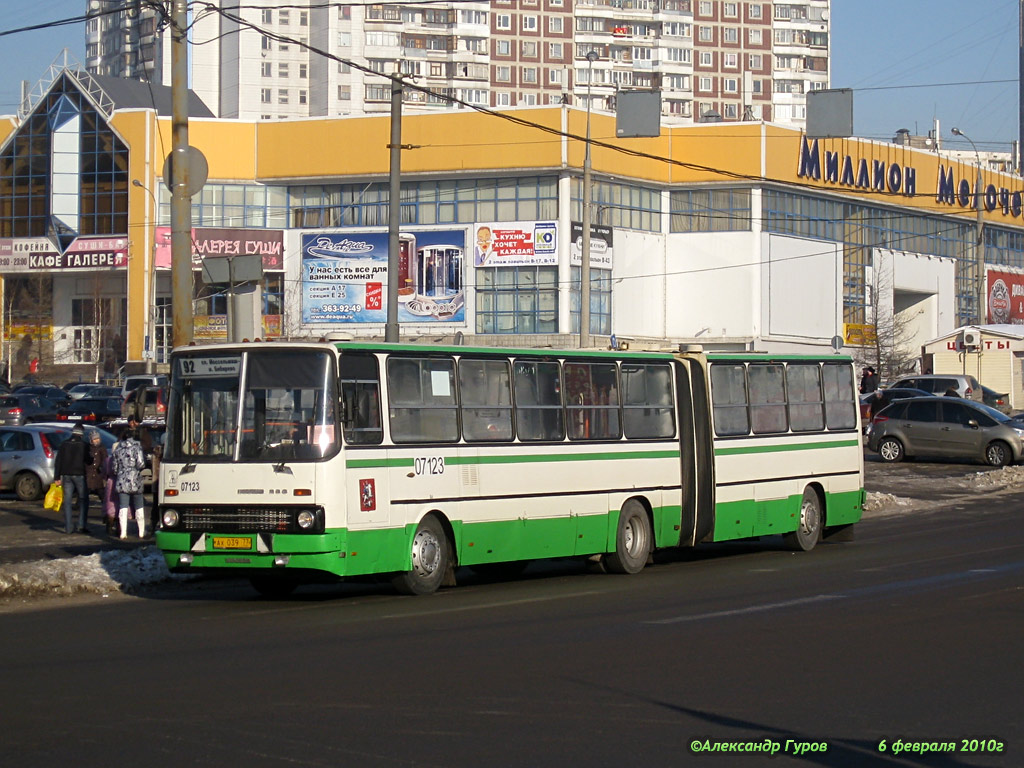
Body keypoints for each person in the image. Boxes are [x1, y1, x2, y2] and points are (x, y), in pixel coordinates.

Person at [55, 423, 92, 535]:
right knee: (83, 500)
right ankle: (81, 525)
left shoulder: (64, 444)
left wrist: (57, 477)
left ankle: (68, 527)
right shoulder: (83, 445)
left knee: (67, 501)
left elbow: (58, 461)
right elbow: (88, 461)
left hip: (66, 475)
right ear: (81, 433)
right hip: (79, 474)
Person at [112, 427, 147, 539]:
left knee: (123, 507)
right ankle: (141, 532)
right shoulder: (137, 447)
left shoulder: (118, 448)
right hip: (135, 479)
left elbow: (114, 468)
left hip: (122, 480)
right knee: (139, 506)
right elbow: (141, 464)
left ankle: (123, 533)